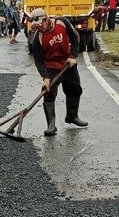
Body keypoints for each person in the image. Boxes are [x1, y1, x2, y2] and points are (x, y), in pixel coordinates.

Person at [28, 8, 88, 137]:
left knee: (75, 89)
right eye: (37, 26)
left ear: (46, 19)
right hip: (51, 66)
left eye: (41, 24)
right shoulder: (37, 39)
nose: (40, 28)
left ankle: (72, 116)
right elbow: (38, 61)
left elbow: (75, 36)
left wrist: (73, 55)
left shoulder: (62, 22)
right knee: (49, 93)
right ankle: (51, 125)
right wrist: (45, 77)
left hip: (67, 63)